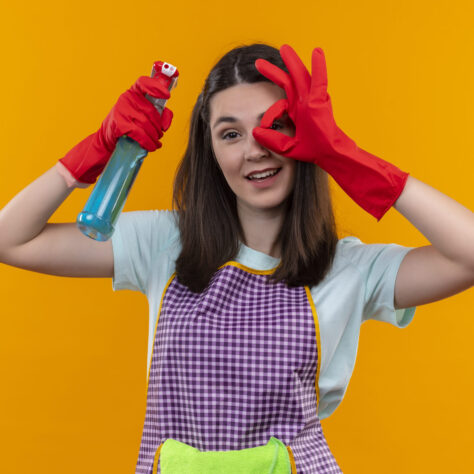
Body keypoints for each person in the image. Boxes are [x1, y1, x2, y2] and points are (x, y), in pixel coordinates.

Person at [0, 43, 472, 474]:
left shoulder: (349, 269)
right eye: (230, 134)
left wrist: (347, 158)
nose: (255, 150)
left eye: (276, 126)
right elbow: (11, 240)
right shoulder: (165, 242)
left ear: (306, 135)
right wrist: (91, 154)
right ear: (210, 149)